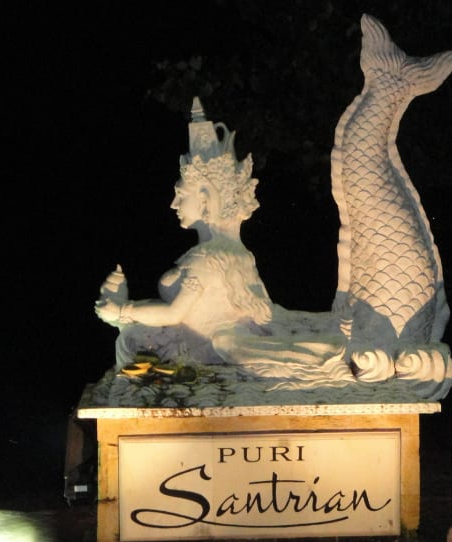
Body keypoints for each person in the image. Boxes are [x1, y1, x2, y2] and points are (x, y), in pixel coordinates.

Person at [95, 99, 350, 383]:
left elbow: (173, 313)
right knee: (132, 351)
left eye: (181, 194)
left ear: (204, 196)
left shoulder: (207, 258)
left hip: (204, 350)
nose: (173, 203)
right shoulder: (236, 253)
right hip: (190, 345)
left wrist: (122, 310)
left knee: (133, 356)